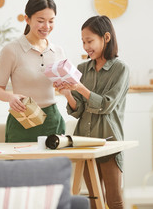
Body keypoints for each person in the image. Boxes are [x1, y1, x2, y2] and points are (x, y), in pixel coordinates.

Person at [55, 15, 129, 209]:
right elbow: (77, 110)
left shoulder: (120, 69)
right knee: (94, 199)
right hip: (84, 143)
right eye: (83, 42)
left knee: (114, 199)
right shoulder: (82, 69)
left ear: (106, 37)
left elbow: (106, 105)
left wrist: (79, 88)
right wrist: (67, 94)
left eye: (90, 41)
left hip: (110, 143)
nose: (86, 46)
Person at [0, 0, 66, 142]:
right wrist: (10, 97)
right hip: (23, 120)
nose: (46, 27)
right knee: (20, 165)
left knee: (53, 165)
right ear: (27, 19)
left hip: (53, 120)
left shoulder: (58, 51)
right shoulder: (11, 50)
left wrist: (67, 87)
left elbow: (65, 87)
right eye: (41, 21)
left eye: (51, 21)